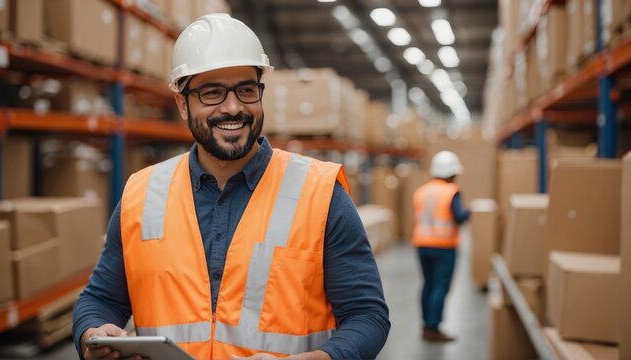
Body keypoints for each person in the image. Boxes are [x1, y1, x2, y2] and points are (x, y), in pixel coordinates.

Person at [72, 13, 390, 360]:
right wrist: (93, 333)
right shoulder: (142, 194)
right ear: (183, 103)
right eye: (212, 93)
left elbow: (368, 316)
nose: (234, 107)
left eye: (246, 90)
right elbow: (101, 299)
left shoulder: (320, 192)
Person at [411, 150, 470, 342]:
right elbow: (459, 217)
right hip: (444, 246)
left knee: (428, 284)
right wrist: (470, 211)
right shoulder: (452, 191)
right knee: (440, 287)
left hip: (422, 244)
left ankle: (425, 324)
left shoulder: (422, 191)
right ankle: (433, 327)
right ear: (452, 173)